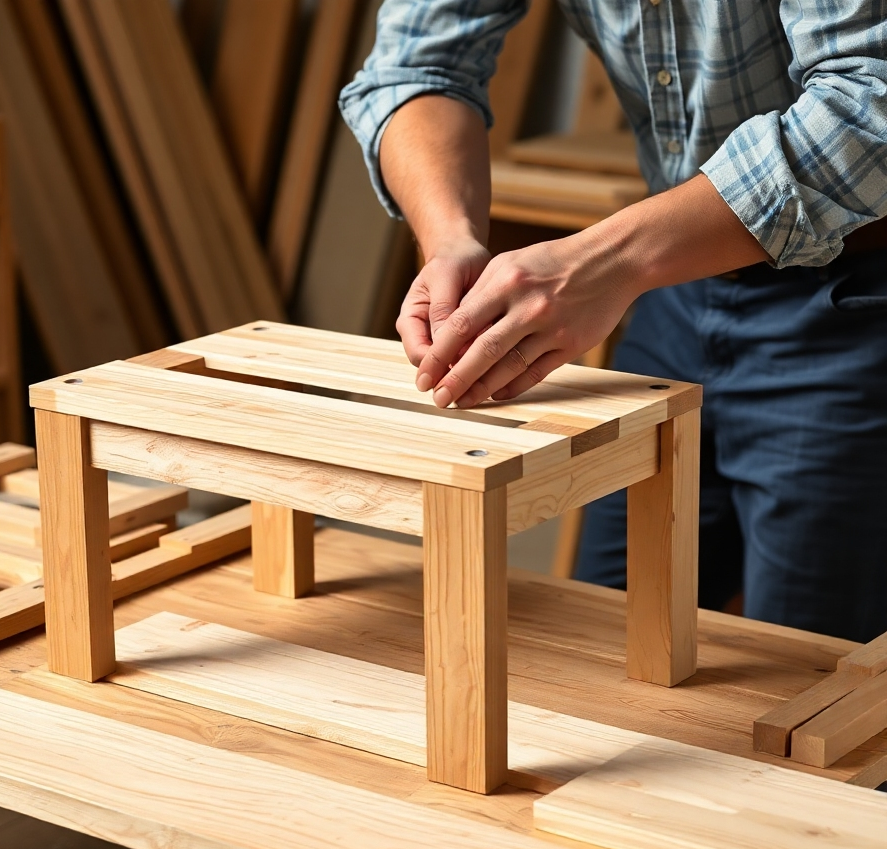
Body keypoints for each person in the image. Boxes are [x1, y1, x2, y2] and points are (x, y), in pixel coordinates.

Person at [339, 1, 887, 644]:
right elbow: (414, 65)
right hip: (676, 288)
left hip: (860, 291)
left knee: (807, 679)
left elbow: (869, 103)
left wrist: (613, 259)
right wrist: (451, 239)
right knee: (600, 638)